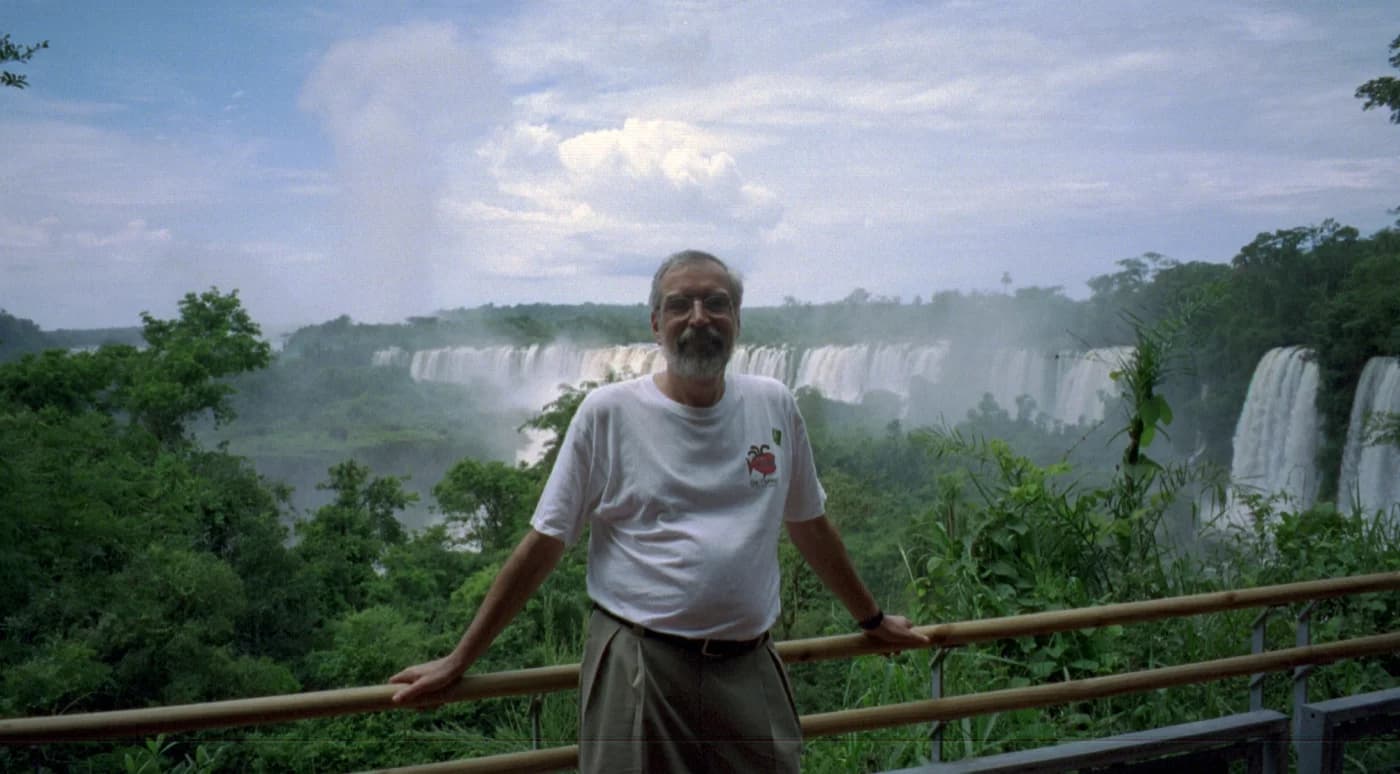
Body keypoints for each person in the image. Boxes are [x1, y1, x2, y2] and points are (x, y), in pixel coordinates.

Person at [390, 250, 928, 772]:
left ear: (737, 320)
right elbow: (546, 543)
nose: (699, 317)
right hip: (640, 664)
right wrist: (460, 659)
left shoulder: (774, 404)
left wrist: (872, 620)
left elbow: (809, 524)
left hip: (750, 664)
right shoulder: (609, 413)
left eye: (716, 302)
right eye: (679, 305)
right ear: (656, 324)